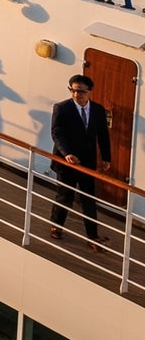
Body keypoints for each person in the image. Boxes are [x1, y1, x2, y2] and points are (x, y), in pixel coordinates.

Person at [49, 75, 112, 245]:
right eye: (74, 90)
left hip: (87, 163)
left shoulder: (98, 110)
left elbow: (103, 136)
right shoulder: (61, 108)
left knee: (88, 199)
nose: (77, 95)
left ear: (90, 91)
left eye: (81, 91)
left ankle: (92, 237)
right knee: (64, 196)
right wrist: (67, 153)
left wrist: (106, 158)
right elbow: (56, 133)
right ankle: (56, 226)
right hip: (66, 162)